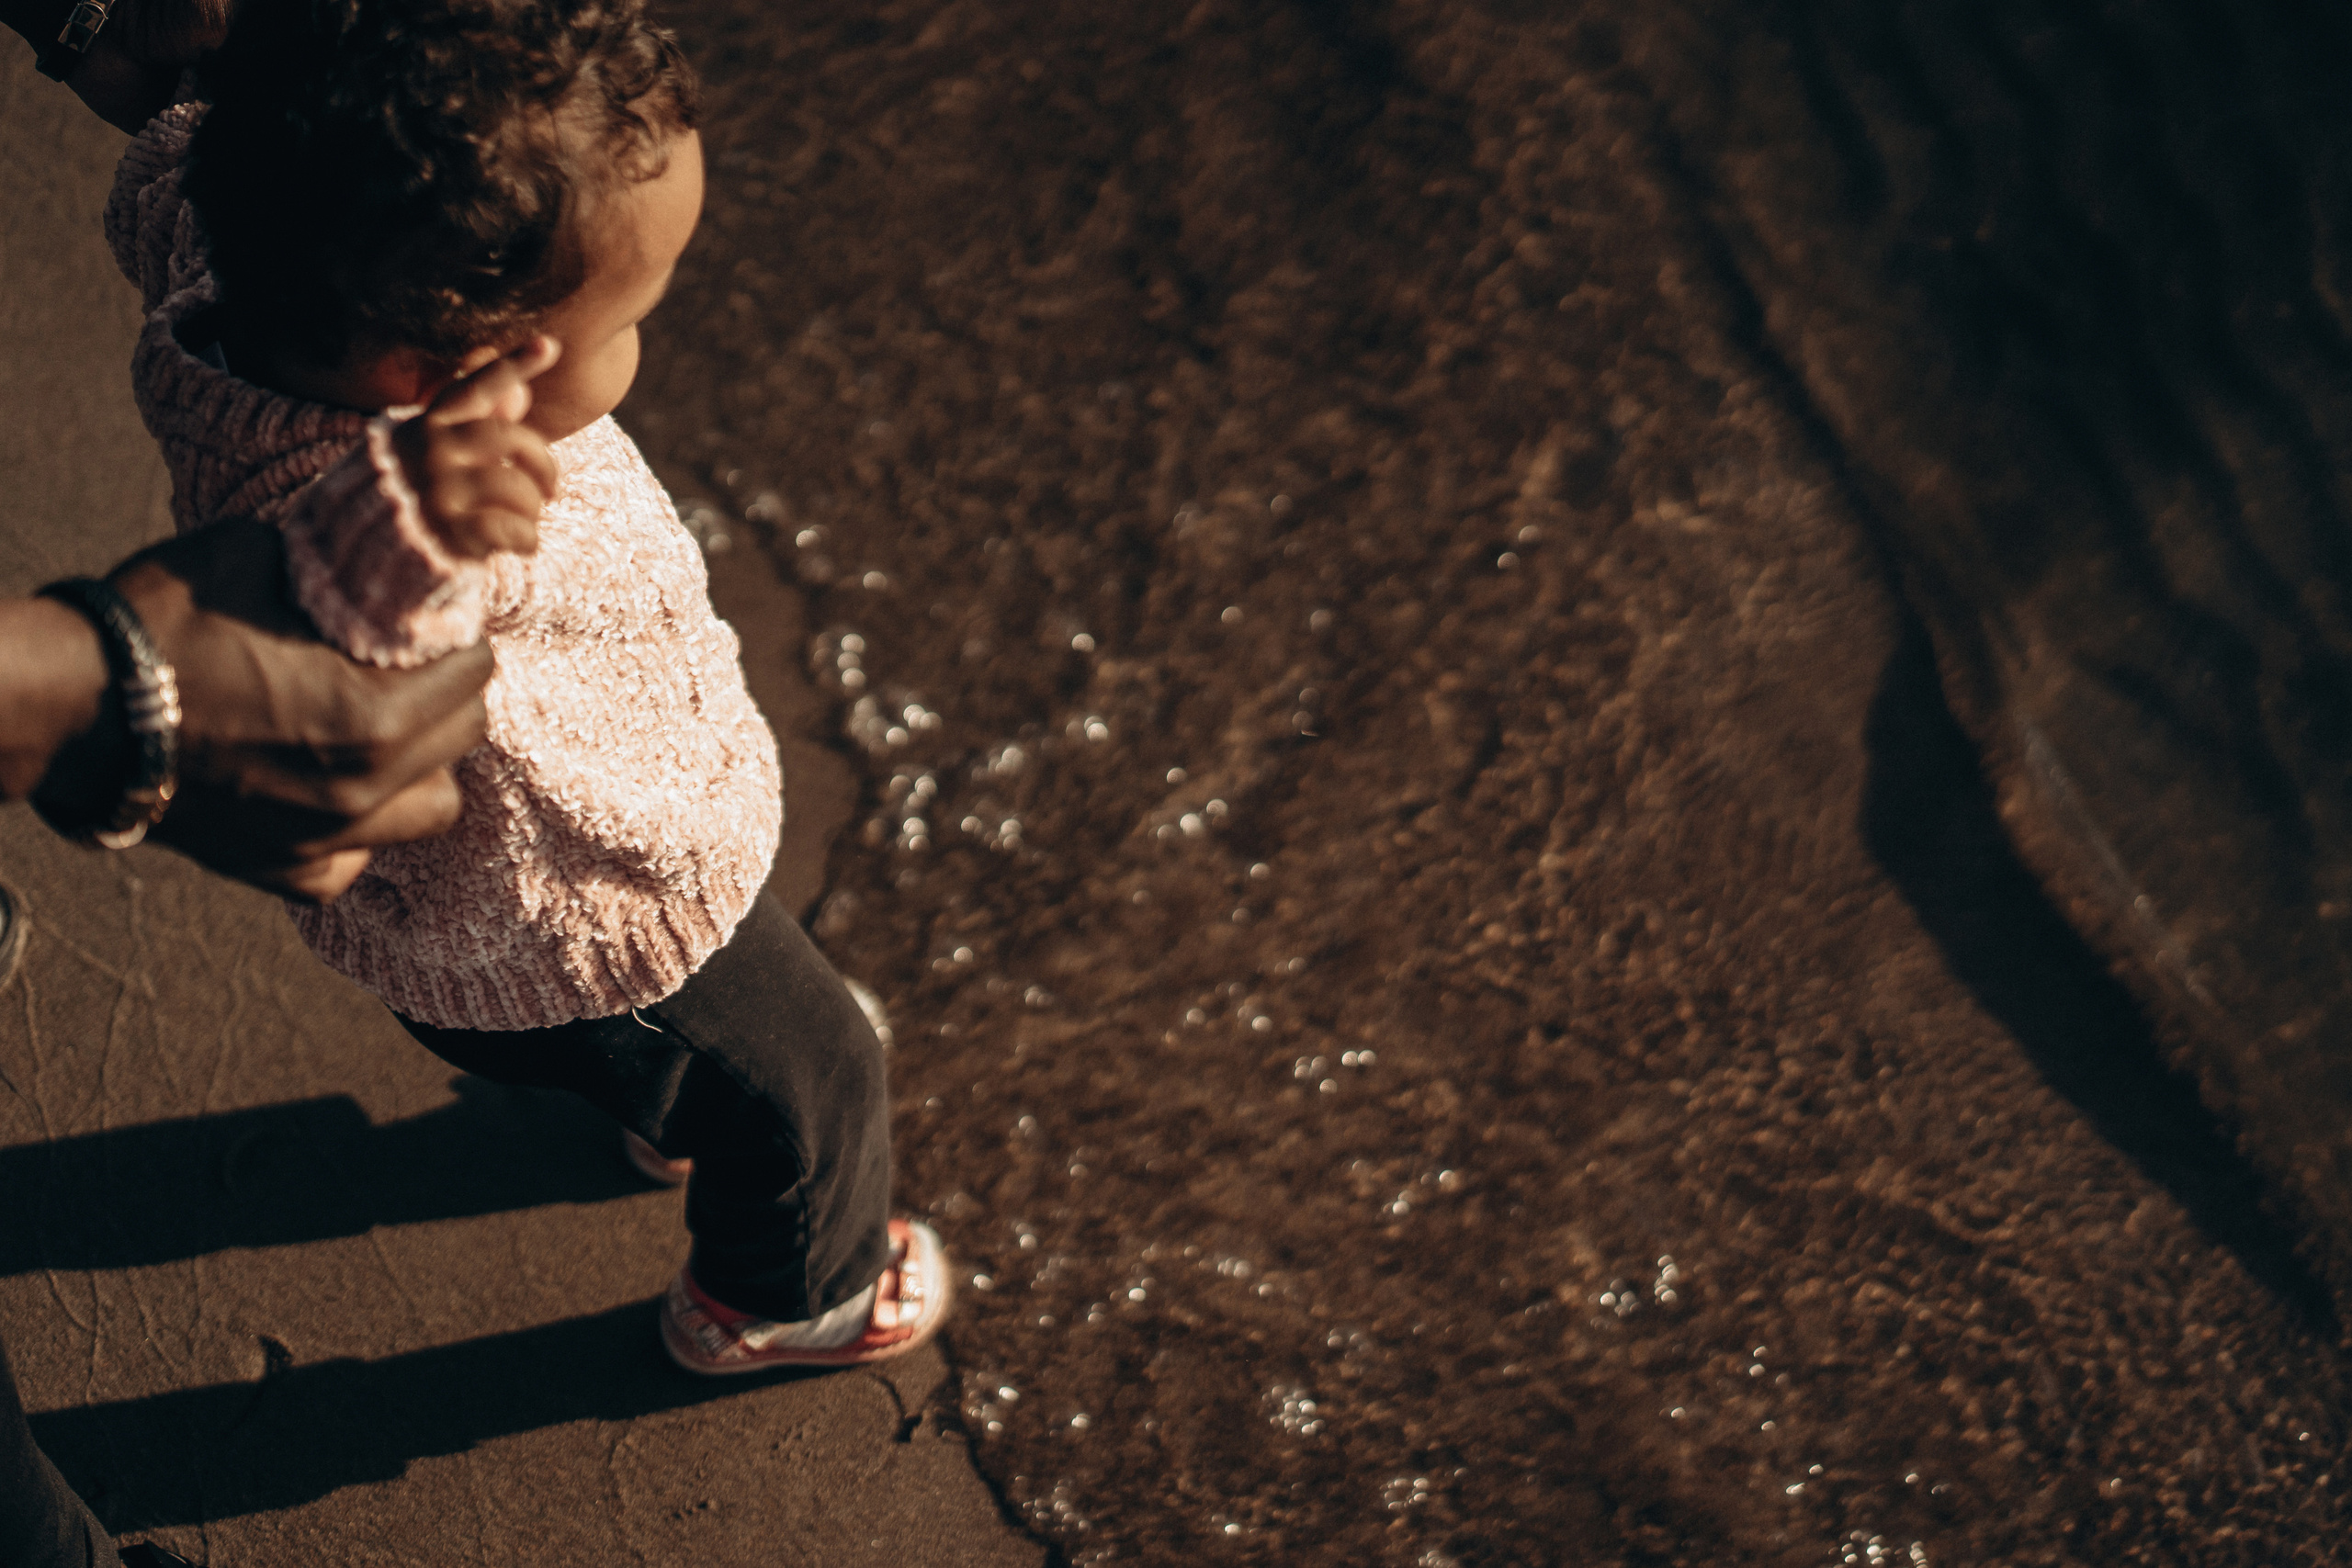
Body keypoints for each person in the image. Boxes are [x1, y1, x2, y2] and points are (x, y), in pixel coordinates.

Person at [114, 0, 948, 1376]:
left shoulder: (247, 262)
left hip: (545, 872)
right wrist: (407, 530)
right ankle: (785, 1296)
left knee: (699, 1063)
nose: (644, 339)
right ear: (463, 372)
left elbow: (176, 162)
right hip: (572, 908)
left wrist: (225, 70)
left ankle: (665, 1097)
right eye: (638, 309)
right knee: (818, 1083)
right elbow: (356, 649)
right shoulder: (383, 523)